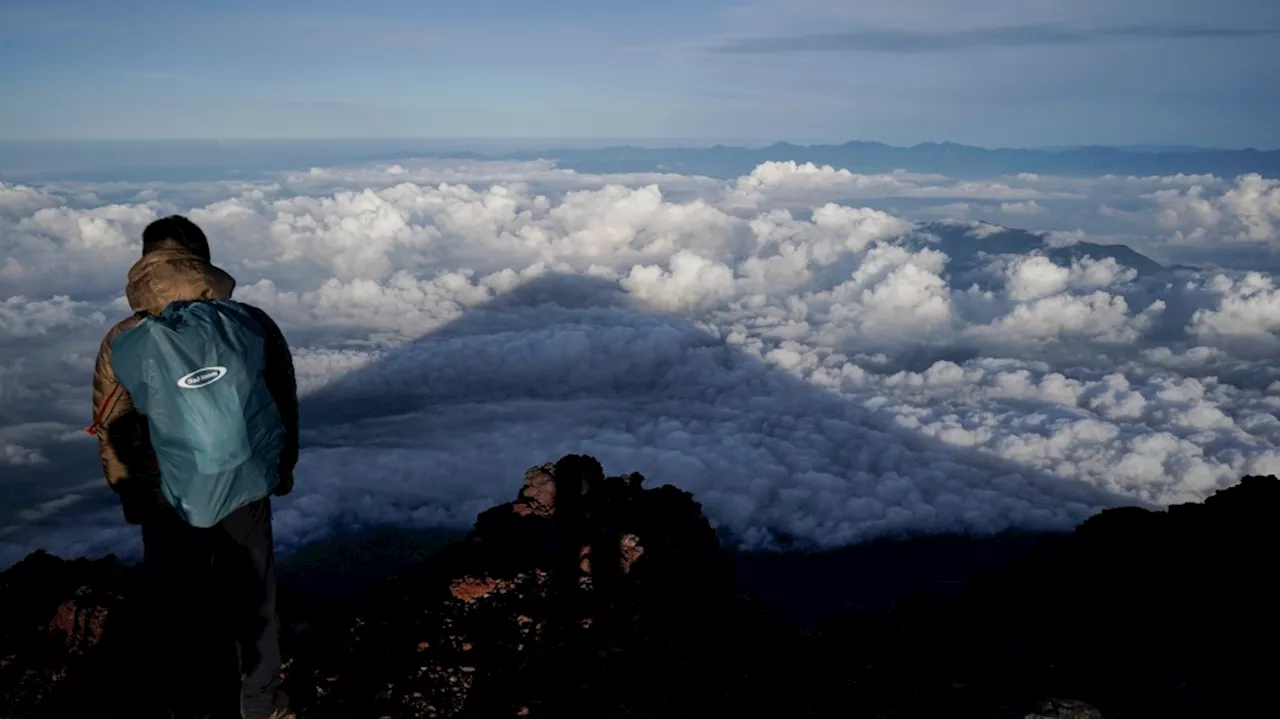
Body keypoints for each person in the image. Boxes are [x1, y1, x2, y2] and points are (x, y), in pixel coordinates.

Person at [89, 215, 299, 719]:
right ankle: (260, 702)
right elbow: (281, 399)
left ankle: (188, 703)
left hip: (166, 494)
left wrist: (128, 491)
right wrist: (282, 467)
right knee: (254, 597)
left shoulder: (124, 337)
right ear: (202, 261)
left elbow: (109, 422)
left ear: (143, 262)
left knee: (177, 602)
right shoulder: (249, 320)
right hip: (247, 483)